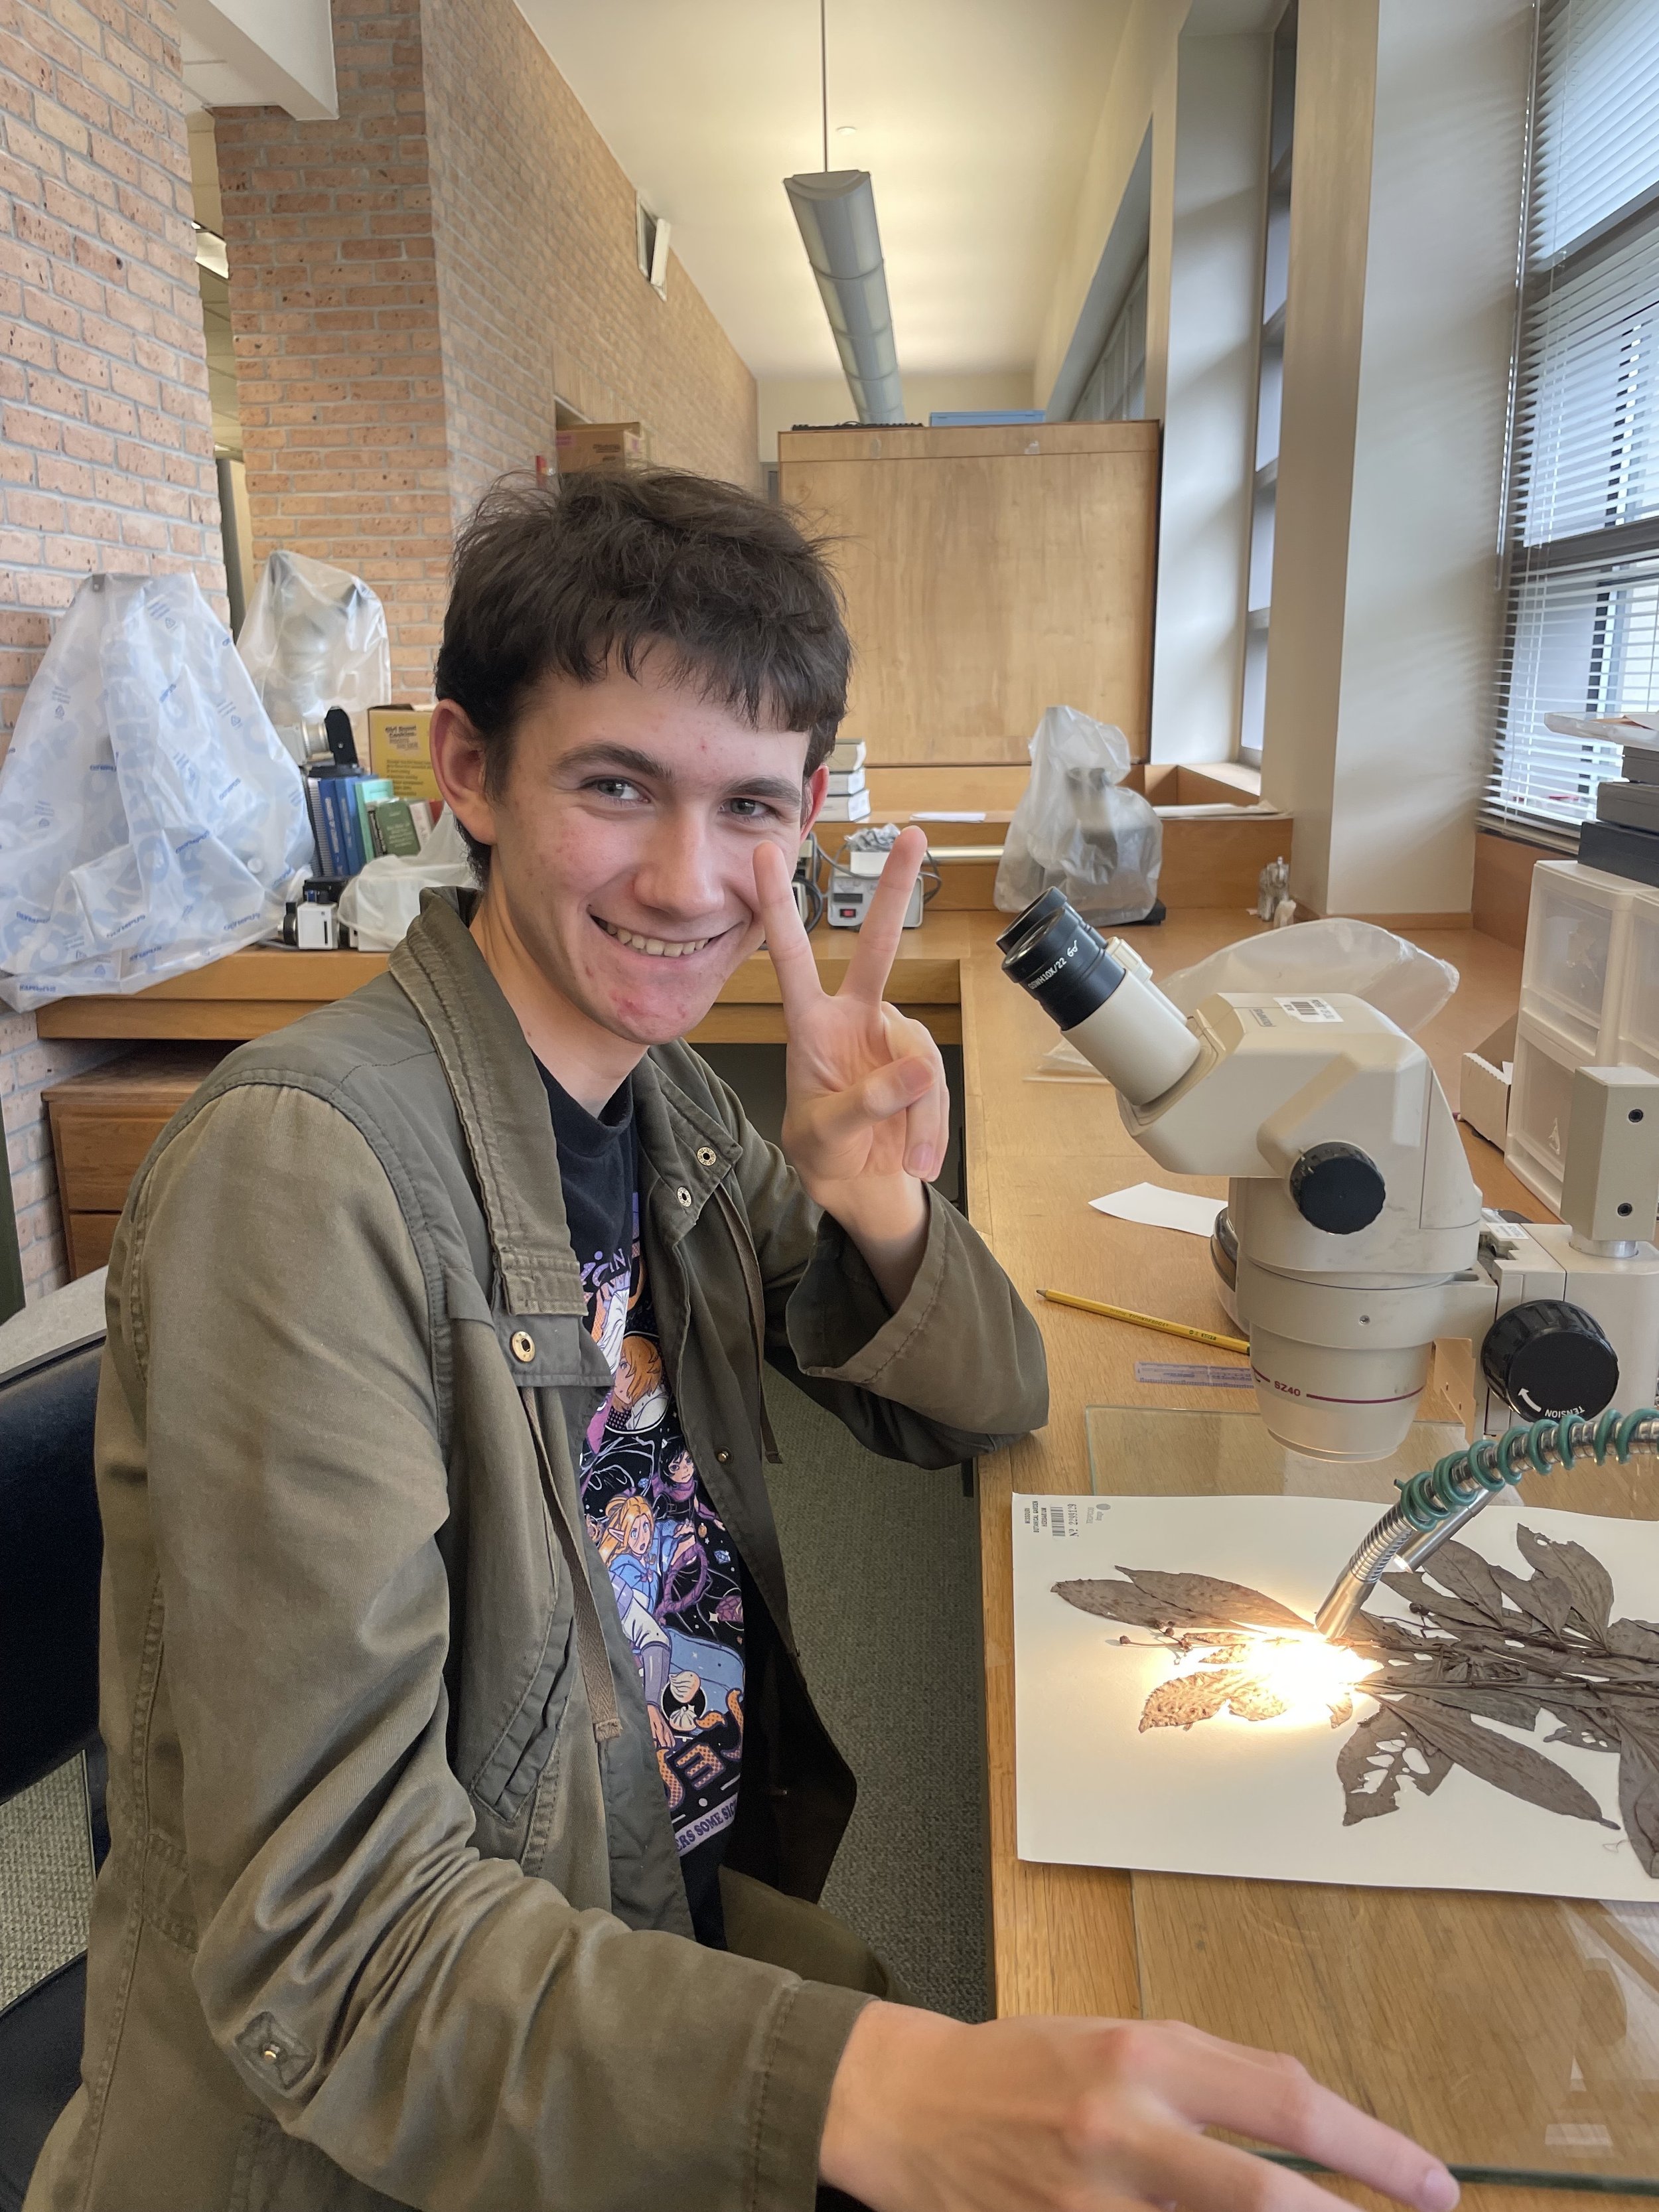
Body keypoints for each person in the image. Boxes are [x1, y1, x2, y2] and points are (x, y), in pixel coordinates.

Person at [28, 470, 1460, 2212]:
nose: (691, 881)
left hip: (637, 1893)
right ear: (466, 772)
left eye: (752, 809)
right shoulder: (306, 1180)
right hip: (384, 2117)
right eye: (617, 787)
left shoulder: (673, 1112)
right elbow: (339, 1954)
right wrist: (878, 2091)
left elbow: (990, 1402)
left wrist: (874, 1202)